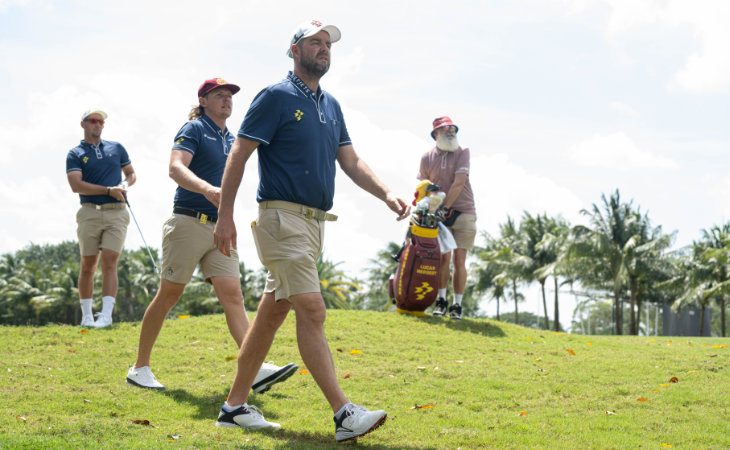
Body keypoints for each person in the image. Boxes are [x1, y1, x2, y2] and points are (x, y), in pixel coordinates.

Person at [212, 21, 410, 442]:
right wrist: (225, 215)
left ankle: (233, 407)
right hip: (282, 219)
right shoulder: (275, 96)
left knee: (271, 316)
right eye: (314, 43)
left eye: (327, 45)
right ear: (293, 50)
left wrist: (386, 193)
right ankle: (343, 414)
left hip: (314, 224)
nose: (323, 49)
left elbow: (351, 161)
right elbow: (239, 154)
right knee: (313, 310)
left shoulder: (331, 105)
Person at [125, 79, 297, 392]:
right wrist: (206, 188)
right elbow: (175, 168)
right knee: (169, 295)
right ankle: (139, 367)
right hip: (188, 222)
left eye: (230, 96)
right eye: (219, 95)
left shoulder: (233, 139)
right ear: (203, 100)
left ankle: (254, 370)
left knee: (233, 295)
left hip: (220, 227)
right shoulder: (193, 129)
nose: (227, 100)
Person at [66, 109, 136, 328]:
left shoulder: (117, 148)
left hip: (117, 211)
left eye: (101, 122)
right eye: (93, 121)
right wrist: (108, 190)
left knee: (110, 262)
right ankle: (87, 316)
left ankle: (106, 316)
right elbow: (76, 185)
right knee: (88, 265)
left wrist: (124, 185)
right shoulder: (75, 153)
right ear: (83, 124)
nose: (98, 124)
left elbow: (131, 174)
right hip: (89, 211)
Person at [417, 116, 477, 320]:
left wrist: (446, 208)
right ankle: (441, 301)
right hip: (438, 214)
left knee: (459, 259)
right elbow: (422, 187)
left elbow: (459, 183)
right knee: (443, 258)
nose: (451, 131)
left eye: (453, 128)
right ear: (436, 134)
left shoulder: (463, 152)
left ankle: (457, 306)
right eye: (445, 129)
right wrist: (428, 201)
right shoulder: (427, 157)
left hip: (463, 212)